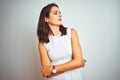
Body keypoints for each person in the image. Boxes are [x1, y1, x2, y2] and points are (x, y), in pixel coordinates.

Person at [37, 3, 86, 80]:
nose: (60, 15)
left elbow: (78, 62)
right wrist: (74, 65)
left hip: (74, 77)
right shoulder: (42, 43)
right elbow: (47, 74)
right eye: (55, 13)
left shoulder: (71, 32)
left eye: (60, 12)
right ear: (46, 19)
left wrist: (53, 68)